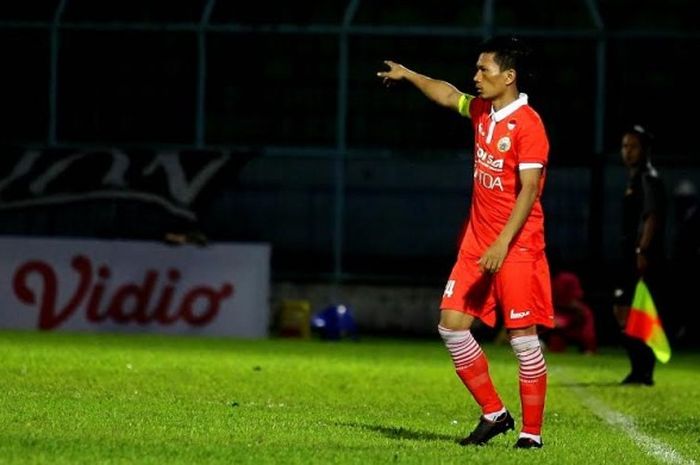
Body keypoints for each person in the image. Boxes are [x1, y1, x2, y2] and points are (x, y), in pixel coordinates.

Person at [377, 36, 553, 449]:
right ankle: (495, 413)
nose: (475, 77)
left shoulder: (529, 125)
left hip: (518, 245)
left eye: (484, 70)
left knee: (522, 337)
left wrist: (502, 244)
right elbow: (447, 94)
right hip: (477, 241)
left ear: (508, 76)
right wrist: (408, 74)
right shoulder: (482, 112)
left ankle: (531, 435)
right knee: (452, 326)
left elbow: (529, 191)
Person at [613, 124, 667, 386]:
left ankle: (644, 371)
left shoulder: (648, 178)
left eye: (633, 146)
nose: (628, 151)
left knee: (635, 311)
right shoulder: (635, 179)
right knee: (623, 310)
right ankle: (639, 370)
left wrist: (642, 250)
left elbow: (652, 217)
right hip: (629, 255)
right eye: (625, 146)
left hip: (640, 256)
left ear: (645, 149)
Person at [543, 271, 597, 354]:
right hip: (556, 312)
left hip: (568, 312)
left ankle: (589, 350)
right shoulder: (544, 277)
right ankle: (555, 348)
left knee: (586, 316)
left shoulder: (567, 278)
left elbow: (574, 300)